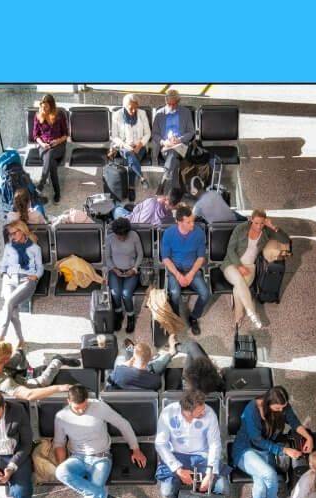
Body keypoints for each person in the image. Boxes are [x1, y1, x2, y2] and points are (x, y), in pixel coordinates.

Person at [53, 385, 146, 498]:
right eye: (77, 408)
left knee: (90, 496)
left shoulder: (99, 406)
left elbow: (123, 424)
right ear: (68, 401)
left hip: (101, 457)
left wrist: (136, 449)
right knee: (60, 471)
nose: (82, 411)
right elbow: (59, 443)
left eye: (84, 407)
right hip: (77, 458)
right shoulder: (61, 417)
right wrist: (67, 468)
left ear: (87, 400)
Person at [232, 386, 314, 498]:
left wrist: (308, 437)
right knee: (270, 475)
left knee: (261, 486)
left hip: (266, 451)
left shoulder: (282, 406)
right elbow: (257, 440)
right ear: (268, 403)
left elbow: (294, 422)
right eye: (277, 408)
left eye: (283, 407)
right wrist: (284, 450)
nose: (281, 411)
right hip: (246, 450)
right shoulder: (252, 410)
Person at [155, 389, 228, 498]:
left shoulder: (210, 414)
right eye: (200, 410)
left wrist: (210, 473)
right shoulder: (168, 413)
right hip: (176, 454)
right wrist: (178, 469)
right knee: (166, 491)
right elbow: (160, 444)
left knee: (222, 488)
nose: (204, 411)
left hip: (202, 455)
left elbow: (214, 444)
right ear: (188, 411)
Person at [224, 210, 290, 330]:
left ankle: (238, 317)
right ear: (251, 220)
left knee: (237, 289)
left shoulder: (266, 231)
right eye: (256, 223)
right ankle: (252, 314)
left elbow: (285, 240)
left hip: (250, 267)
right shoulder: (240, 228)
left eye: (262, 223)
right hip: (231, 264)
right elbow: (230, 250)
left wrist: (273, 227)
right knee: (239, 281)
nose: (259, 226)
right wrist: (239, 266)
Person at [160, 206, 211, 336]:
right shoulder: (169, 233)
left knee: (205, 294)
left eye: (192, 220)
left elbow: (201, 257)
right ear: (179, 222)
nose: (192, 224)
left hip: (191, 269)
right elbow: (165, 258)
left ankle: (194, 317)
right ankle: (175, 318)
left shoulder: (198, 233)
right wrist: (178, 275)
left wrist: (190, 274)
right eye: (188, 222)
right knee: (175, 293)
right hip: (174, 269)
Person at [0, 340, 74, 402]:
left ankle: (28, 371)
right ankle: (58, 360)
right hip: (5, 382)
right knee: (43, 382)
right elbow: (29, 395)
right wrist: (58, 388)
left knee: (19, 353)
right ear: (6, 359)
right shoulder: (3, 382)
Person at [0, 221, 44, 349]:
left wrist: (36, 276)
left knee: (9, 303)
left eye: (14, 233)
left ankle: (0, 337)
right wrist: (4, 274)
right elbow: (3, 264)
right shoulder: (8, 247)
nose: (12, 236)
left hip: (26, 279)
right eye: (10, 234)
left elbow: (40, 267)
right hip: (10, 279)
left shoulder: (35, 248)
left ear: (22, 231)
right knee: (12, 311)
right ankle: (21, 340)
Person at [103, 217, 144, 333]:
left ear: (127, 232)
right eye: (118, 236)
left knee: (126, 294)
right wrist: (114, 269)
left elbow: (140, 255)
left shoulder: (134, 235)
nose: (121, 238)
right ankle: (118, 313)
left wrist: (135, 269)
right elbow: (108, 257)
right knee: (115, 293)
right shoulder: (110, 238)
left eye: (123, 235)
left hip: (131, 270)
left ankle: (131, 316)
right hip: (115, 270)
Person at [150, 89, 195, 194]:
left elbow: (191, 132)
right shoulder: (159, 114)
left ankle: (164, 182)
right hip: (165, 147)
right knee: (173, 157)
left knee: (174, 153)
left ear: (178, 102)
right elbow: (155, 134)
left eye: (173, 104)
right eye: (168, 104)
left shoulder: (186, 112)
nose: (171, 106)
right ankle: (175, 191)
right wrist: (163, 142)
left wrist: (179, 139)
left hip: (181, 146)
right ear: (165, 101)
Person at [108, 94, 151, 190]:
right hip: (124, 146)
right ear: (124, 106)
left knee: (132, 158)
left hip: (140, 146)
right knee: (130, 154)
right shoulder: (117, 115)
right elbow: (114, 136)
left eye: (136, 107)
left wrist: (139, 145)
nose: (134, 111)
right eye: (131, 108)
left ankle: (132, 187)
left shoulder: (142, 113)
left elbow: (148, 133)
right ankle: (141, 178)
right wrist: (125, 145)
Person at [32, 94, 69, 203]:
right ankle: (57, 193)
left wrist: (56, 141)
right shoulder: (38, 116)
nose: (44, 109)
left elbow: (66, 134)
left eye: (46, 107)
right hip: (43, 146)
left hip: (59, 145)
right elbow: (36, 136)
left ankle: (41, 184)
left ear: (52, 106)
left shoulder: (60, 114)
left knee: (50, 154)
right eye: (43, 107)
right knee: (51, 161)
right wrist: (43, 144)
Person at [107, 336, 177, 391]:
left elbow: (109, 380)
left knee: (127, 355)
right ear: (150, 359)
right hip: (145, 405)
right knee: (157, 367)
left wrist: (124, 365)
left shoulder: (119, 372)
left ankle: (131, 348)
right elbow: (157, 388)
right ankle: (170, 353)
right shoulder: (156, 380)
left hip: (121, 403)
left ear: (133, 358)